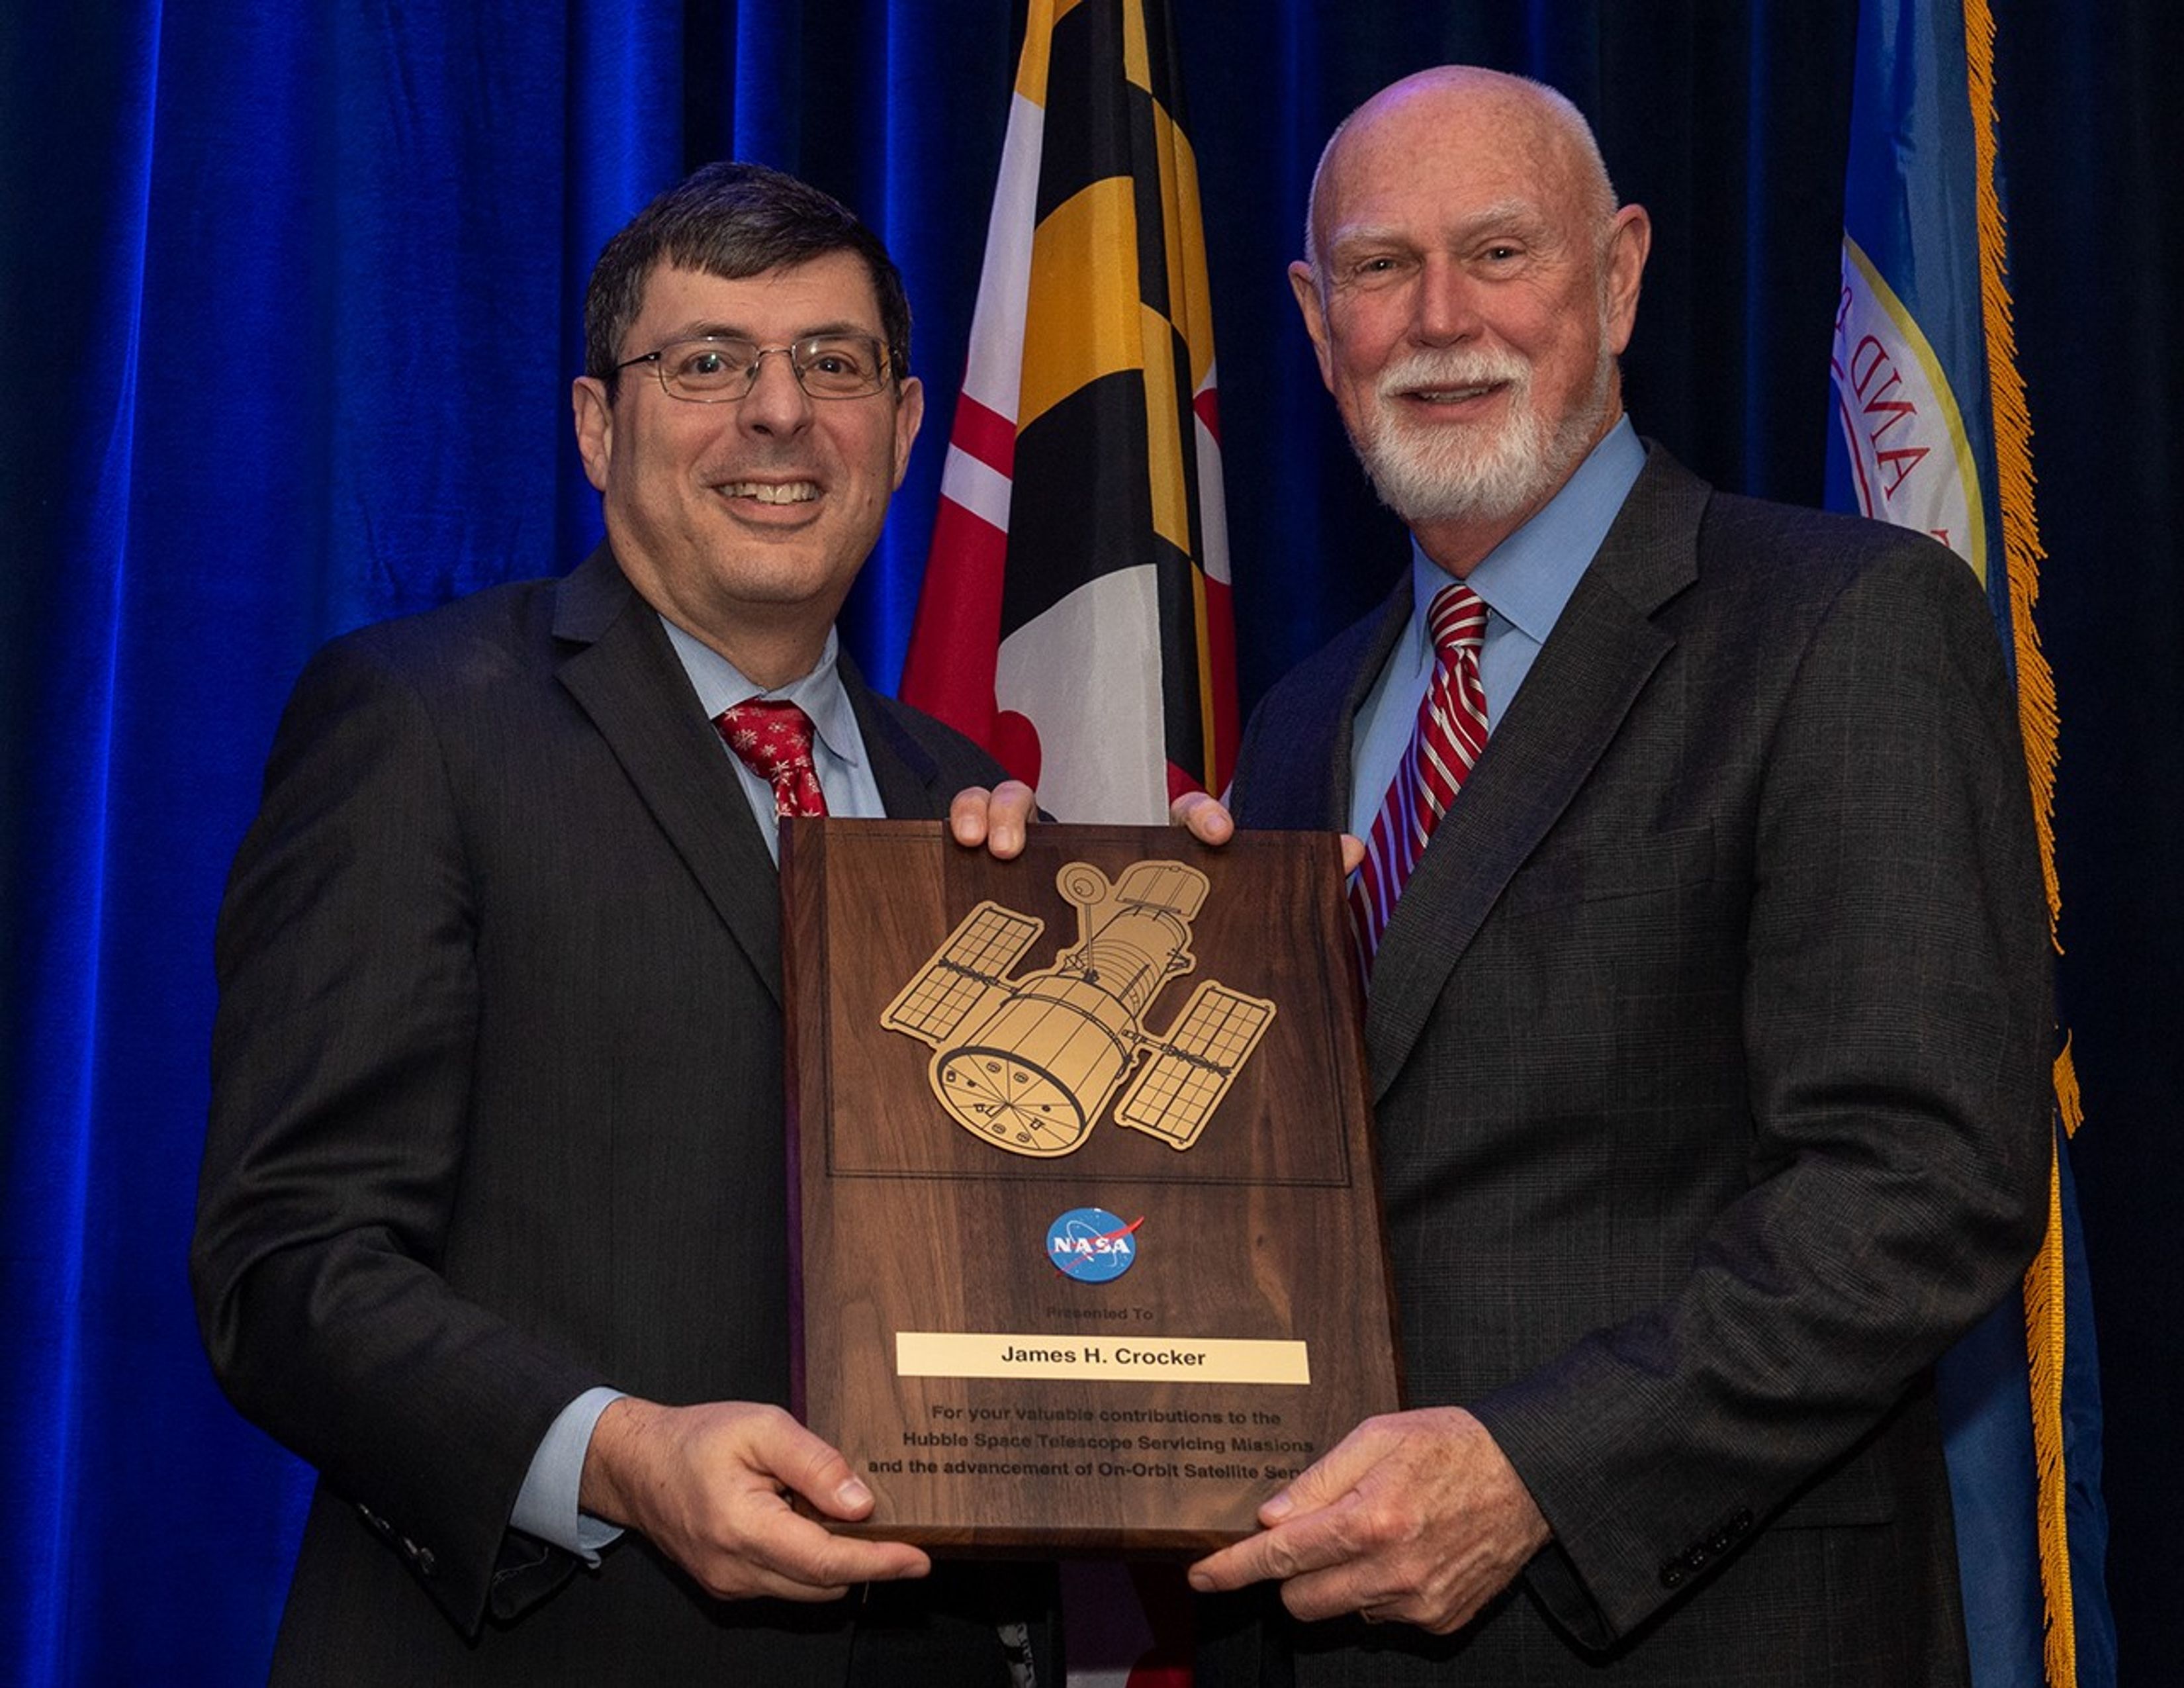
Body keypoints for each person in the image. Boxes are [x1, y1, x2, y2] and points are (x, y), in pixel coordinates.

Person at [1141, 66, 2049, 1685]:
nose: (1439, 318)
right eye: (1378, 267)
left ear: (1619, 277)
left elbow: (1922, 1188)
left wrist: (1536, 1477)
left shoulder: (1846, 627)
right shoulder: (1296, 725)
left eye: (1502, 253)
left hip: (1709, 1630)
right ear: (1311, 314)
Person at [193, 163, 1051, 1683]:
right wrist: (618, 1455)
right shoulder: (420, 727)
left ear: (907, 428)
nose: (778, 414)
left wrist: (1185, 954)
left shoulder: (975, 807)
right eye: (708, 362)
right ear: (600, 425)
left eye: (831, 363)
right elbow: (289, 1266)